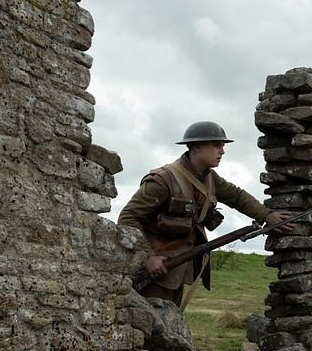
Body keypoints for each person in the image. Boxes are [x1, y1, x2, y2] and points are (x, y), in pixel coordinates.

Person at [118, 121, 291, 306]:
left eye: (222, 146)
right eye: (217, 145)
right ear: (197, 147)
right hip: (155, 270)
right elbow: (128, 217)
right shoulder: (163, 180)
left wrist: (267, 215)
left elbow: (237, 197)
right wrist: (148, 256)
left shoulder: (209, 178)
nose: (222, 151)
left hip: (177, 270)